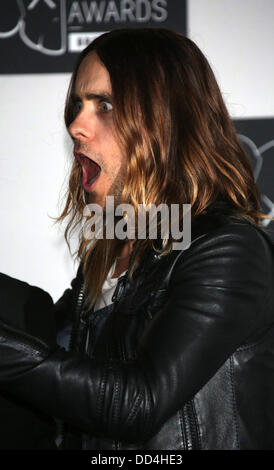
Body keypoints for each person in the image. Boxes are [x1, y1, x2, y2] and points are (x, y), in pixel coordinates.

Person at [0, 28, 274, 450]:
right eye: (77, 105)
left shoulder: (227, 249)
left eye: (104, 106)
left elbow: (139, 402)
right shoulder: (114, 247)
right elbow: (48, 350)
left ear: (166, 119)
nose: (76, 125)